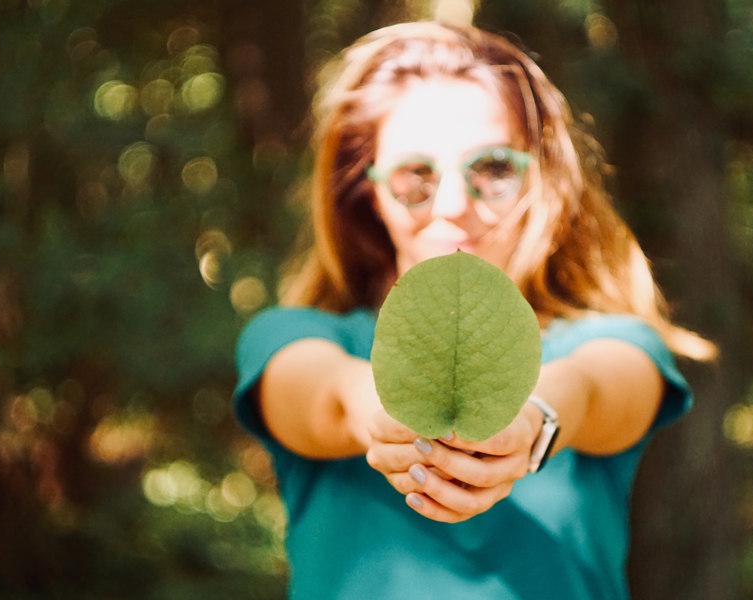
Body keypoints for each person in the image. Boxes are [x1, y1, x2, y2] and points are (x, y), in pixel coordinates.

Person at [233, 20, 715, 600]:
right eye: (416, 175)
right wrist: (386, 415)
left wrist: (532, 421)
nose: (455, 205)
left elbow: (592, 390)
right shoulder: (293, 337)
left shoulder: (613, 343)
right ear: (369, 190)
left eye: (492, 168)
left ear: (542, 178)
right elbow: (324, 397)